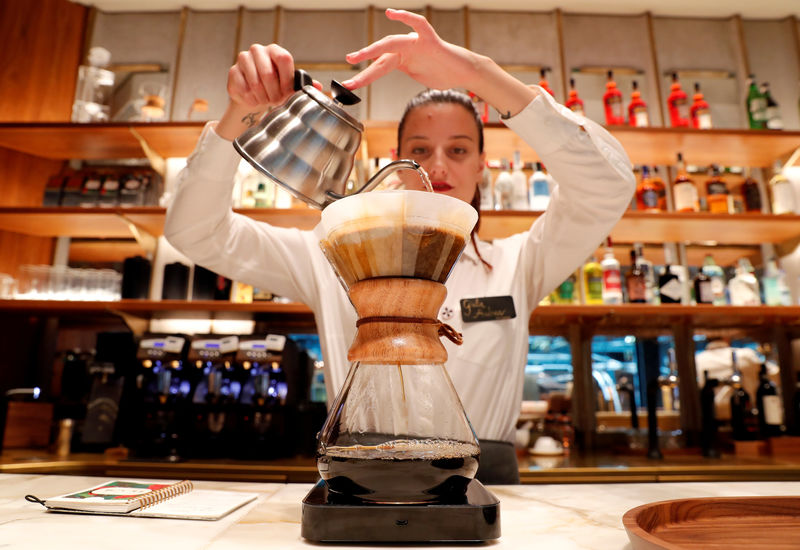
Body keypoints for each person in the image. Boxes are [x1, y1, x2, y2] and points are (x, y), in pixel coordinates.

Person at [164, 8, 635, 484]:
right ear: (397, 163)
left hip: (486, 489)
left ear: (481, 166)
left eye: (458, 149)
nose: (439, 165)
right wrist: (240, 112)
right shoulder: (331, 256)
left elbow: (607, 187)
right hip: (361, 480)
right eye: (421, 150)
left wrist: (479, 75)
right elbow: (196, 232)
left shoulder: (518, 263)